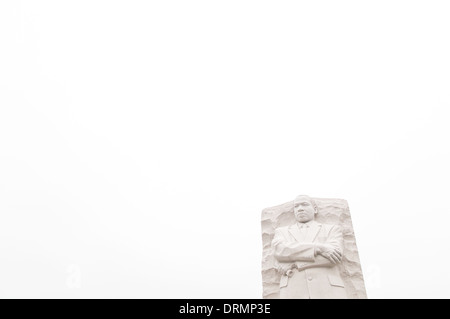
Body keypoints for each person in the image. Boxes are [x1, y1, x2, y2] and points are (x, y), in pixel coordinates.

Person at [272, 195, 348, 299]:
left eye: (304, 204)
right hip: (293, 290)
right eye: (296, 206)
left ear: (315, 209)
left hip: (328, 289)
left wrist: (294, 263)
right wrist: (318, 248)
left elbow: (334, 257)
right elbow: (280, 251)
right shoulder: (282, 232)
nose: (300, 208)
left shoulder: (332, 229)